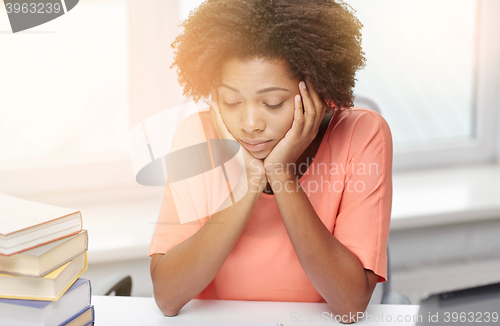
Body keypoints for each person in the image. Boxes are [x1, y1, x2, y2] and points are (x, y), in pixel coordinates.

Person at [149, 0, 393, 322]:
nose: (250, 123)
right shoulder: (196, 135)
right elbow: (167, 297)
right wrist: (251, 179)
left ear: (316, 91)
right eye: (232, 101)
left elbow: (350, 305)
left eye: (273, 103)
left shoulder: (362, 134)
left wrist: (280, 175)